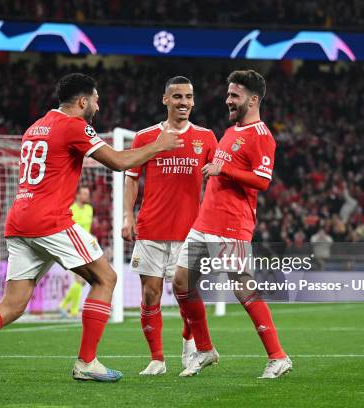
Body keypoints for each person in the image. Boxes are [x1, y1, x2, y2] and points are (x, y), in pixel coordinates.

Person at [0, 73, 183, 385]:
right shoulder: (74, 126)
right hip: (49, 220)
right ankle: (87, 362)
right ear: (83, 101)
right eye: (97, 100)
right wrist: (159, 145)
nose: (99, 107)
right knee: (106, 278)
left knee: (13, 304)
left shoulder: (36, 127)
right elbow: (118, 162)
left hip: (19, 219)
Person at [173, 70, 292, 379]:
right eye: (228, 94)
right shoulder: (231, 131)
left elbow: (262, 181)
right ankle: (205, 349)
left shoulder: (262, 136)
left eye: (235, 96)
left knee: (243, 288)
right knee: (181, 283)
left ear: (253, 100)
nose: (228, 100)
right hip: (204, 222)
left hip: (231, 224)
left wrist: (224, 170)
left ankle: (278, 356)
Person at [121, 76, 217, 375]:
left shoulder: (207, 137)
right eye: (177, 97)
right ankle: (157, 359)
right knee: (150, 294)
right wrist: (128, 216)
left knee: (186, 296)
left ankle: (190, 344)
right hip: (150, 228)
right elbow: (132, 178)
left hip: (191, 231)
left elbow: (217, 185)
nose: (184, 102)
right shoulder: (145, 136)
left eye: (188, 97)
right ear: (165, 100)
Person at [59, 186, 93, 318]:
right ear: (78, 195)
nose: (87, 196)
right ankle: (73, 311)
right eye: (84, 194)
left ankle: (63, 306)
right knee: (80, 280)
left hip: (86, 247)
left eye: (88, 194)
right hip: (73, 247)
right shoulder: (71, 209)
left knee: (82, 281)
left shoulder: (90, 209)